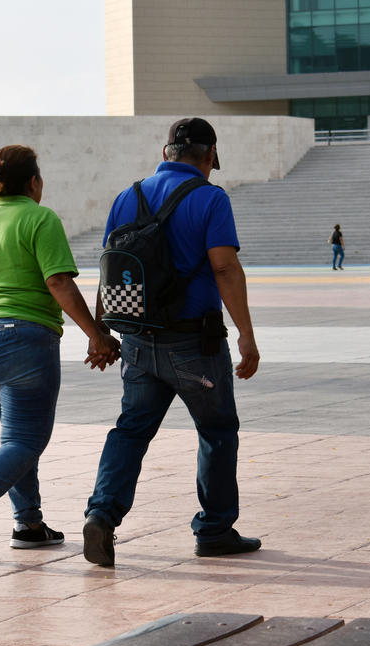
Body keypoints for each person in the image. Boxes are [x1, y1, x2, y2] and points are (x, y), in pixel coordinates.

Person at [83, 118, 262, 566]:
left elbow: (110, 266)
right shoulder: (210, 198)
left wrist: (100, 332)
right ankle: (214, 530)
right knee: (217, 432)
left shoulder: (128, 196)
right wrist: (246, 333)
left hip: (137, 341)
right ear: (210, 156)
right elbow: (224, 267)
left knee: (131, 430)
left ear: (166, 153)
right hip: (194, 343)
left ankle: (101, 515)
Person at [0, 144, 120, 563]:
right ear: (34, 182)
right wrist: (96, 334)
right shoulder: (41, 218)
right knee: (26, 438)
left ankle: (29, 525)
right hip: (20, 341)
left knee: (17, 437)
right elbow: (58, 282)